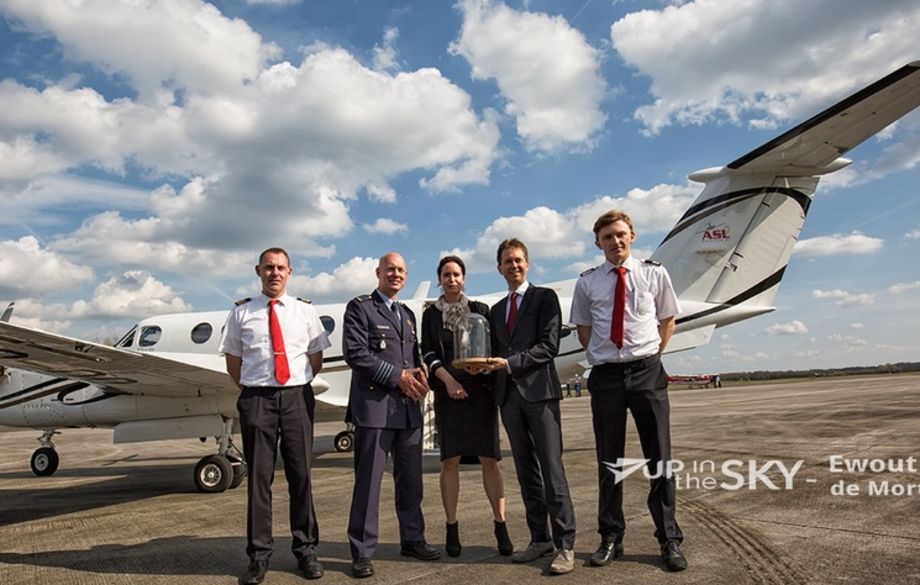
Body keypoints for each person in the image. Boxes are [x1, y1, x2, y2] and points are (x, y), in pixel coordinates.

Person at [570, 210, 688, 572]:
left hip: (646, 372)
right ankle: (611, 536)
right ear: (598, 243)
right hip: (605, 376)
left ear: (632, 236)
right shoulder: (588, 282)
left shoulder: (654, 273)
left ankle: (668, 538)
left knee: (660, 458)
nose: (615, 241)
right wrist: (609, 356)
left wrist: (651, 354)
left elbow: (668, 320)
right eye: (607, 237)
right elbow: (584, 329)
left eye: (620, 234)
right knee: (610, 461)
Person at [219, 247, 331, 585]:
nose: (275, 273)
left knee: (301, 476)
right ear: (258, 271)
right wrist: (258, 388)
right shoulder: (241, 313)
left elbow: (316, 358)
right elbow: (233, 363)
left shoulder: (305, 312)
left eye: (281, 267)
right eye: (269, 267)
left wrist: (291, 386)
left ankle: (306, 550)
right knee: (259, 479)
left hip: (297, 396)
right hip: (256, 398)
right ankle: (259, 556)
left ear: (290, 272)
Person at [482, 238, 577, 575]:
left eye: (519, 260)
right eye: (507, 261)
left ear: (528, 263)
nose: (514, 266)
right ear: (499, 268)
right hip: (509, 399)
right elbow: (491, 351)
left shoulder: (544, 298)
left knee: (552, 470)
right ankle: (540, 539)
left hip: (540, 395)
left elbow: (548, 346)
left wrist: (508, 364)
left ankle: (565, 544)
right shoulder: (495, 311)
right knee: (525, 472)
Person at [342, 252, 440, 579]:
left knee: (411, 482)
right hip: (375, 409)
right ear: (378, 272)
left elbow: (412, 356)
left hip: (408, 409)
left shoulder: (408, 314)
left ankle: (412, 539)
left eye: (401, 270)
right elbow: (356, 354)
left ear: (406, 276)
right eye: (390, 270)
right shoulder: (360, 308)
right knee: (368, 483)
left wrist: (421, 376)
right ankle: (362, 551)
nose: (395, 274)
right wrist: (398, 376)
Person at [420, 255, 513, 558]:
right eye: (446, 274)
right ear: (440, 279)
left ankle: (501, 526)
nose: (452, 279)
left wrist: (483, 369)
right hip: (450, 391)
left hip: (480, 390)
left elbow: (493, 348)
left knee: (490, 460)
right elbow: (429, 351)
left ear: (464, 278)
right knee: (450, 462)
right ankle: (451, 526)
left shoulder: (480, 310)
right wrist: (447, 381)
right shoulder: (430, 314)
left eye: (457, 274)